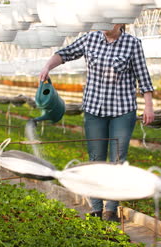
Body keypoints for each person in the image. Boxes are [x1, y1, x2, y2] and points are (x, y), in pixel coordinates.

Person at [39, 24, 155, 222]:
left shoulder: (132, 43)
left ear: (119, 23)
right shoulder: (89, 39)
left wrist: (149, 105)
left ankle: (111, 209)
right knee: (95, 158)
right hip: (94, 109)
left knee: (117, 159)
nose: (103, 25)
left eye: (109, 21)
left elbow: (143, 76)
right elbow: (65, 53)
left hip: (122, 109)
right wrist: (47, 66)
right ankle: (96, 207)